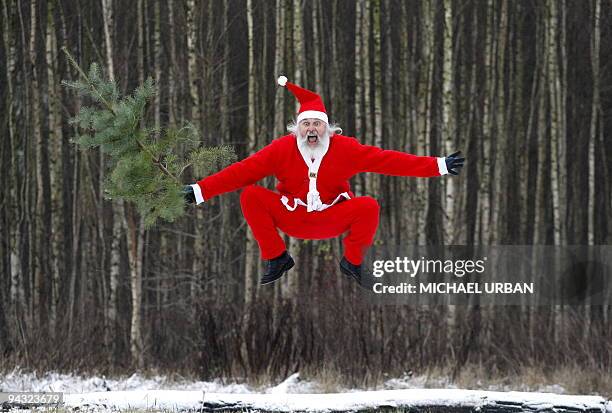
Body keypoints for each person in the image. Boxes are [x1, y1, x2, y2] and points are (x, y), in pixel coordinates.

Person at [184, 76, 464, 286]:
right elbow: (241, 171)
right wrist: (199, 191)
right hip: (292, 216)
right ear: (297, 128)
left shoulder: (346, 149)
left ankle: (352, 262)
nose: (311, 130)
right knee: (251, 195)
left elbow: (388, 160)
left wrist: (437, 166)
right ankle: (278, 257)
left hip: (332, 217)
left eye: (317, 124)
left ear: (327, 128)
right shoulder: (281, 149)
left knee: (368, 206)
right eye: (306, 124)